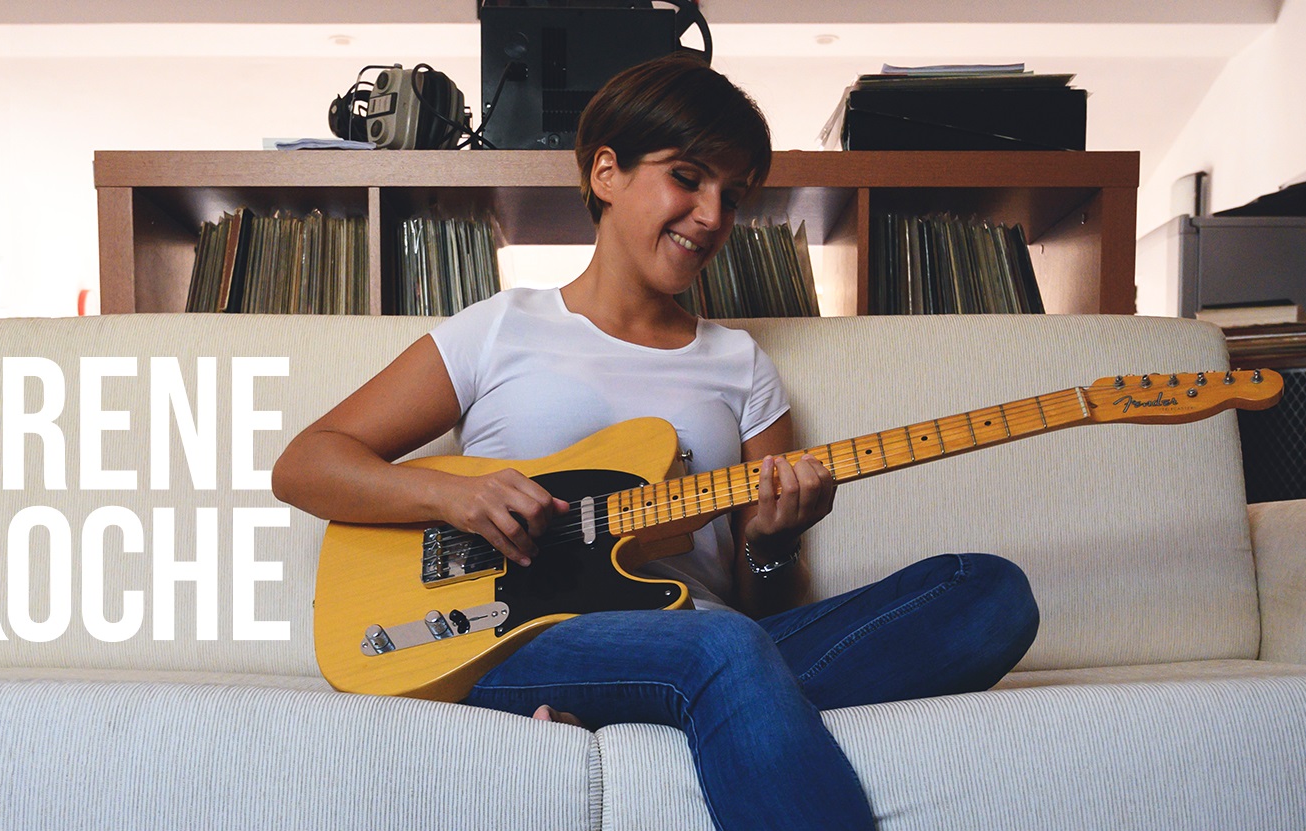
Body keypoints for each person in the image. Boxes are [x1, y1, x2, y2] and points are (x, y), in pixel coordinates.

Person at [273, 54, 1040, 831]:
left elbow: (764, 601)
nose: (711, 215)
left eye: (731, 196)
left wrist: (771, 543)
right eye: (687, 177)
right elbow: (306, 462)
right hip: (519, 638)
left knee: (986, 593)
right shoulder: (499, 328)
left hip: (708, 632)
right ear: (605, 171)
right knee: (721, 647)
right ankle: (697, 701)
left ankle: (665, 710)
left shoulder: (740, 363)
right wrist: (455, 494)